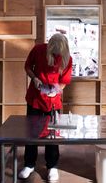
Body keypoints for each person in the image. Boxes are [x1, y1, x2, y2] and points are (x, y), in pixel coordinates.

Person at [19, 33, 72, 181]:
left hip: (53, 101)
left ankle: (52, 166)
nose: (55, 55)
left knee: (53, 134)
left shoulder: (67, 58)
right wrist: (34, 78)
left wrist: (56, 90)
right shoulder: (38, 49)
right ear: (49, 47)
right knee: (32, 133)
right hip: (35, 98)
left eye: (58, 53)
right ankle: (29, 164)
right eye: (53, 52)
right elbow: (27, 66)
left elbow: (64, 81)